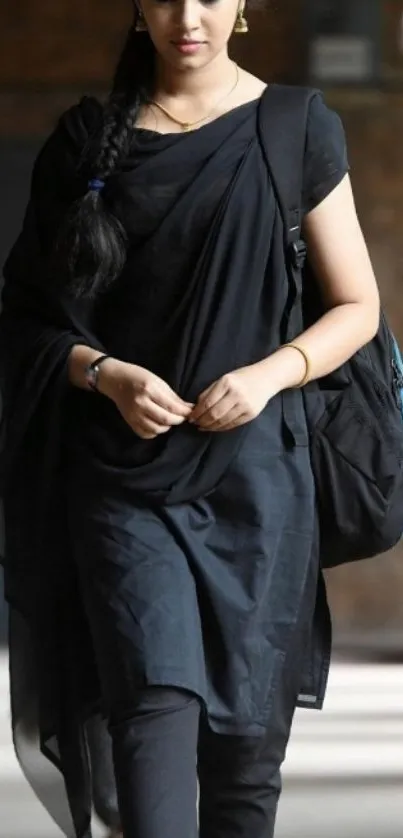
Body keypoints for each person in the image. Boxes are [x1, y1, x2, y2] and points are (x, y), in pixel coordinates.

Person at [0, 0, 380, 836]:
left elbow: (356, 305)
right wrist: (103, 375)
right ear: (139, 9)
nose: (188, 16)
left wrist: (270, 374)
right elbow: (24, 315)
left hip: (260, 485)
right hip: (119, 479)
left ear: (243, 6)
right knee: (150, 711)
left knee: (246, 758)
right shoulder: (85, 139)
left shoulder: (293, 127)